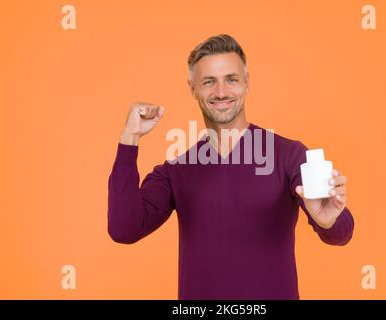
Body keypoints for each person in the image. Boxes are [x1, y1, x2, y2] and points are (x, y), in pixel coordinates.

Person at [108, 34, 354, 300]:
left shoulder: (290, 155)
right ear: (192, 88)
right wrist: (129, 138)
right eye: (209, 82)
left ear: (247, 83)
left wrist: (329, 221)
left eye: (231, 79)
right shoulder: (176, 171)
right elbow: (124, 229)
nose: (222, 92)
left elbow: (340, 234)